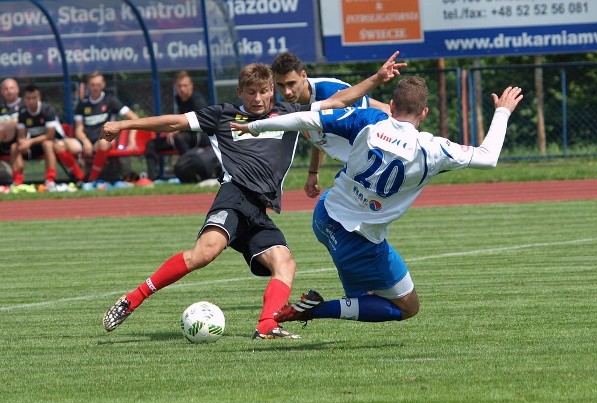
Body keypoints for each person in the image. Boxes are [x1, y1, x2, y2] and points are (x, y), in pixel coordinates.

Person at [100, 52, 405, 339]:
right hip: (235, 196)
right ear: (240, 93)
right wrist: (124, 123)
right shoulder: (222, 116)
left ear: (271, 90)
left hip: (259, 210)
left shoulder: (290, 114)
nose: (258, 99)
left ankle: (267, 325)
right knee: (203, 254)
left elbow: (339, 100)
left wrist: (377, 79)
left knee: (284, 263)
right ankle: (131, 299)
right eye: (251, 93)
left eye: (264, 91)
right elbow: (174, 122)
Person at [231, 77, 523, 326]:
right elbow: (488, 157)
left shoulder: (369, 121)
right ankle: (316, 309)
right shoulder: (432, 149)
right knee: (408, 308)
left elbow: (307, 118)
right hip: (359, 241)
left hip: (323, 216)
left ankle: (329, 301)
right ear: (424, 113)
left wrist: (256, 127)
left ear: (392, 106)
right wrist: (502, 112)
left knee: (366, 297)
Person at [271, 52, 389, 198]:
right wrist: (313, 172)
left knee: (330, 208)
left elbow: (375, 114)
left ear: (303, 75)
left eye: (291, 84)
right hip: (355, 165)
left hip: (376, 160)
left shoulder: (329, 92)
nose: (287, 92)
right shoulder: (292, 105)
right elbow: (319, 133)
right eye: (281, 85)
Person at [11, 84, 85, 188]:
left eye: (34, 98)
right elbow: (21, 134)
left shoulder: (47, 110)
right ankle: (17, 182)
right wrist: (22, 142)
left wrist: (30, 142)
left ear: (39, 97)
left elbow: (50, 135)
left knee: (48, 144)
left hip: (57, 142)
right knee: (14, 147)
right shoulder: (23, 113)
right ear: (24, 99)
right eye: (28, 98)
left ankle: (51, 180)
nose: (31, 101)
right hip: (35, 145)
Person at [73, 71, 139, 183]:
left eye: (98, 85)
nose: (95, 88)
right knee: (61, 145)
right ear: (88, 86)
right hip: (86, 142)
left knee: (103, 143)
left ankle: (91, 180)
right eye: (93, 85)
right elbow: (78, 130)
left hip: (104, 139)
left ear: (103, 85)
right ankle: (78, 178)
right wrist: (85, 141)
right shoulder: (82, 104)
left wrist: (131, 138)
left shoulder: (110, 100)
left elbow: (134, 118)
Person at [145, 70, 209, 180]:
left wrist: (178, 129)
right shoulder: (178, 99)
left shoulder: (197, 100)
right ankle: (151, 180)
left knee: (180, 138)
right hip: (182, 135)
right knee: (151, 144)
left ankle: (190, 173)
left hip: (200, 136)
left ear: (191, 86)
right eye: (179, 86)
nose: (182, 89)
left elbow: (202, 123)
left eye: (185, 86)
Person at [0, 78, 23, 165]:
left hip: (21, 141)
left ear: (17, 89)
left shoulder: (25, 104)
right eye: (6, 89)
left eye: (11, 88)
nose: (9, 91)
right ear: (1, 91)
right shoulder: (1, 108)